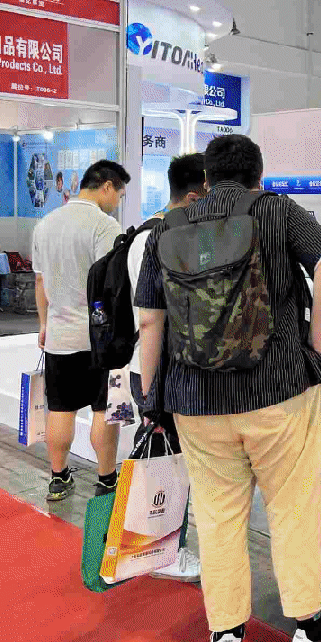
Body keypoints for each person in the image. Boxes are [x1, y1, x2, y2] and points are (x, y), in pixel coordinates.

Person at [135, 134, 321, 642]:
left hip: (196, 399)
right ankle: (309, 628)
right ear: (259, 174)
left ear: (206, 179)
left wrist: (150, 398)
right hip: (279, 389)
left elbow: (149, 320)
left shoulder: (167, 226)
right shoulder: (277, 210)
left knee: (217, 517)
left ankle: (227, 632)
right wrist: (319, 337)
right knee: (295, 509)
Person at [126, 153, 207, 583]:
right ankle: (163, 552)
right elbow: (150, 318)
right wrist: (150, 390)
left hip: (151, 365)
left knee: (164, 459)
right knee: (166, 461)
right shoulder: (162, 238)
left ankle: (156, 546)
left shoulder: (147, 232)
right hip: (159, 369)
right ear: (194, 196)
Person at [32, 160, 129, 502]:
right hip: (99, 340)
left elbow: (40, 281)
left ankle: (58, 478)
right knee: (104, 410)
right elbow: (112, 284)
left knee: (61, 409)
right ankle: (106, 478)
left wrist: (44, 325)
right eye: (119, 194)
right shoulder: (104, 225)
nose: (117, 201)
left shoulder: (45, 224)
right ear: (106, 186)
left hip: (59, 336)